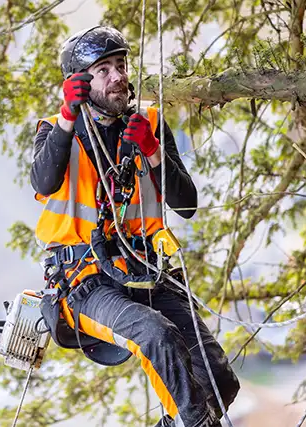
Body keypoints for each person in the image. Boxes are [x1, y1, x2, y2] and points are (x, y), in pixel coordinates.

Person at [30, 25, 240, 427]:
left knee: (217, 379)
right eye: (103, 69)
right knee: (155, 335)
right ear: (78, 82)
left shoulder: (148, 124)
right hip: (85, 283)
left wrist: (153, 150)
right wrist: (67, 117)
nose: (118, 76)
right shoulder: (56, 130)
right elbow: (43, 181)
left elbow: (187, 204)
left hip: (145, 273)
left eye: (121, 65)